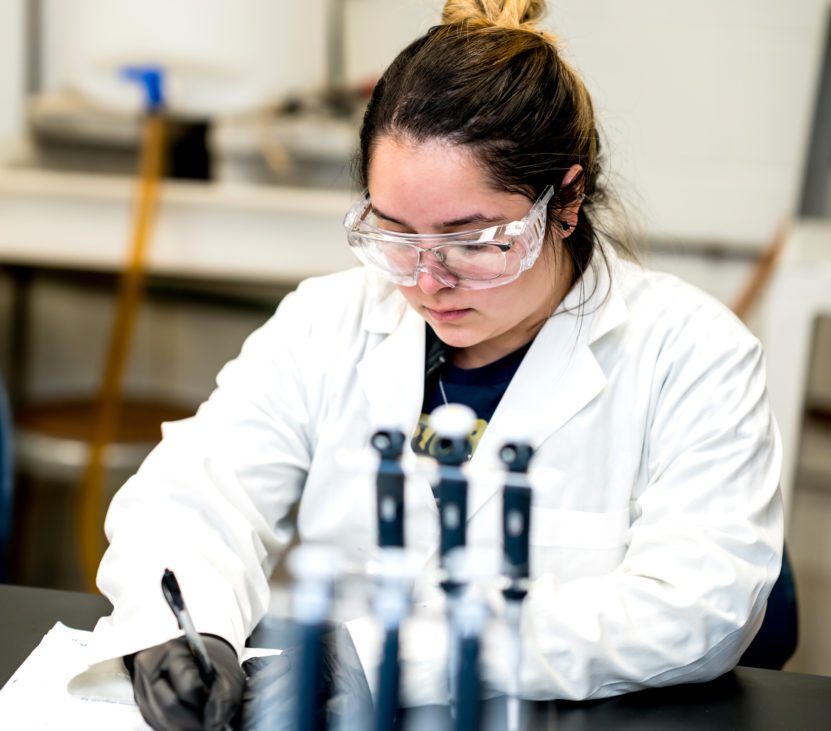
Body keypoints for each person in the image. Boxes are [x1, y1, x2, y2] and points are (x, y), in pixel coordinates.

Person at [82, 1, 783, 729]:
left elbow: (699, 603)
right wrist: (181, 628)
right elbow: (196, 493)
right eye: (396, 235)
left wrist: (385, 656)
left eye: (473, 241)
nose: (425, 282)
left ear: (566, 200)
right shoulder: (329, 321)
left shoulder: (694, 354)